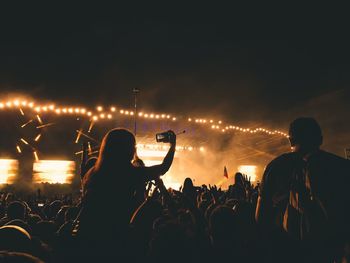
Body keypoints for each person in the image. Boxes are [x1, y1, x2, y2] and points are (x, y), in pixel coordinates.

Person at [255, 117, 350, 262]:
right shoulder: (342, 167)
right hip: (332, 252)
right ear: (320, 139)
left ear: (291, 141)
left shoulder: (276, 167)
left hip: (291, 251)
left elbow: (261, 217)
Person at [76, 128, 176, 260]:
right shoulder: (127, 174)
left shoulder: (91, 174)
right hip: (117, 238)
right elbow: (163, 167)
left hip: (89, 238)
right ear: (127, 149)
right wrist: (172, 145)